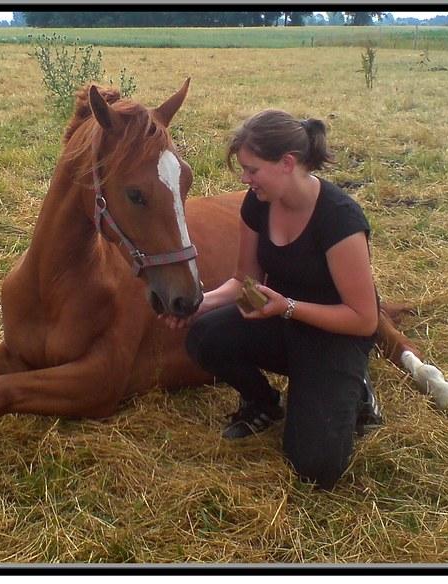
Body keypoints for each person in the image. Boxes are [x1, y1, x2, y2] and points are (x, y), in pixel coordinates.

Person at [164, 110, 383, 488]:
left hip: (336, 336)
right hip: (283, 321)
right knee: (203, 335)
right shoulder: (257, 204)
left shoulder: (340, 219)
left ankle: (356, 386)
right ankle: (263, 402)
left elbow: (364, 319)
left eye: (252, 169)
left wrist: (288, 307)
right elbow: (243, 281)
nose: (244, 179)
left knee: (315, 468)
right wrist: (200, 304)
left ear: (287, 163)